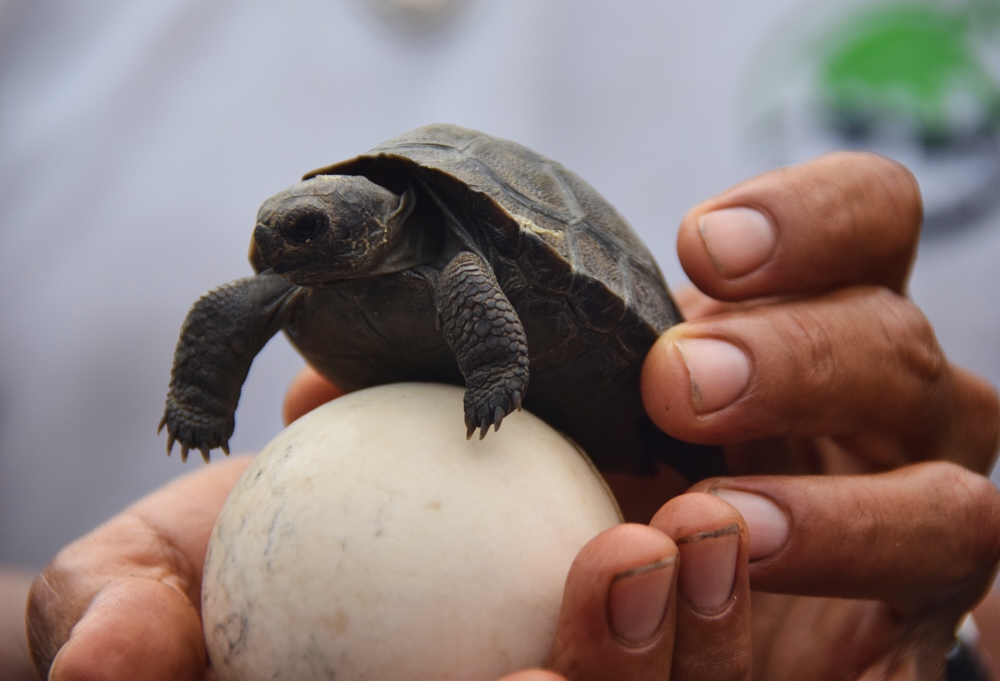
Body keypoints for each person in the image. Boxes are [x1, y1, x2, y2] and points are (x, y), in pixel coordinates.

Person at [9, 152, 1000, 680]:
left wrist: (952, 650)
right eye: (275, 237)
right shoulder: (301, 271)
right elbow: (233, 312)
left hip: (640, 446)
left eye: (306, 232)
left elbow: (468, 277)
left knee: (485, 301)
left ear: (373, 219)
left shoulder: (451, 250)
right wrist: (198, 401)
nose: (282, 250)